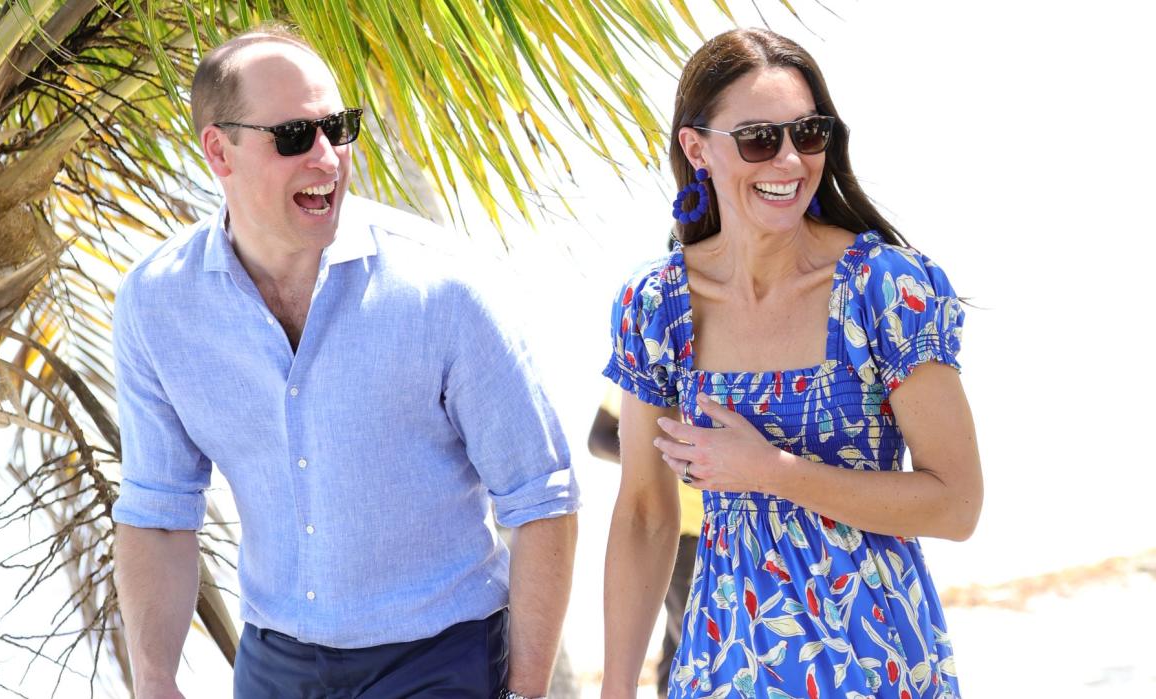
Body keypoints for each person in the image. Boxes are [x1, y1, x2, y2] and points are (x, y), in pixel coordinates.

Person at [111, 26, 579, 699]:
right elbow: (158, 508)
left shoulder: (444, 287)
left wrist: (528, 690)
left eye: (339, 126)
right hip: (274, 666)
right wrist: (153, 679)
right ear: (219, 150)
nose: (328, 157)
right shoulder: (159, 304)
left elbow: (543, 498)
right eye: (296, 136)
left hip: (440, 662)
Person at [601, 28, 982, 699]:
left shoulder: (884, 289)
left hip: (876, 664)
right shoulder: (656, 304)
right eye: (758, 139)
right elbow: (643, 513)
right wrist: (617, 687)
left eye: (808, 134)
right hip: (721, 664)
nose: (789, 160)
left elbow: (957, 503)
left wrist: (770, 471)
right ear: (697, 150)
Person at [587, 385, 700, 699]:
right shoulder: (654, 351)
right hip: (684, 531)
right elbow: (599, 437)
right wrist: (676, 464)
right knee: (690, 643)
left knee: (677, 644)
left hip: (734, 532)